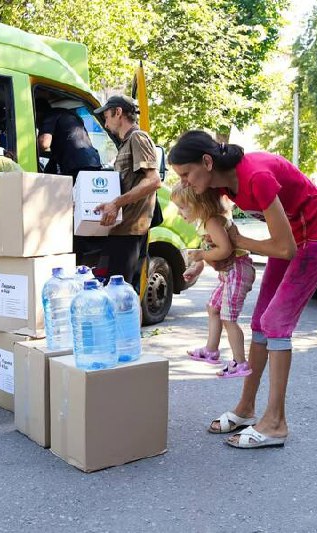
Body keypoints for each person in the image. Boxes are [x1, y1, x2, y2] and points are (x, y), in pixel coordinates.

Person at [168, 130, 317, 449]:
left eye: (186, 174)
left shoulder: (255, 177)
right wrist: (209, 259)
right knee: (260, 322)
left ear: (207, 162)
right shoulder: (221, 184)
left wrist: (239, 243)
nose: (186, 182)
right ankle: (246, 408)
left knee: (276, 323)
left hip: (316, 237)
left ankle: (275, 423)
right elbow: (218, 232)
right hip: (292, 239)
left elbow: (284, 249)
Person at [170, 183, 255, 378]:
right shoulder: (205, 223)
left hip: (238, 270)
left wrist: (200, 255)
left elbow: (224, 250)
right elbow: (211, 251)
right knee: (213, 307)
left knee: (228, 317)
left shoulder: (213, 222)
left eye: (182, 207)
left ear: (200, 204)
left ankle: (239, 363)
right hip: (230, 272)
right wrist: (196, 267)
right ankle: (211, 350)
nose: (179, 213)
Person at [92, 95, 161, 291]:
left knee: (124, 294)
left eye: (106, 117)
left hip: (131, 230)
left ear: (118, 112)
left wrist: (116, 203)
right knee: (118, 293)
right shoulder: (126, 143)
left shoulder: (138, 138)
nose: (105, 124)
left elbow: (154, 180)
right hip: (121, 229)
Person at [35, 98, 102, 181]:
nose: (36, 124)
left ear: (37, 113)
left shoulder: (49, 116)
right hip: (93, 163)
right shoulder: (70, 115)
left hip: (76, 167)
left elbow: (44, 143)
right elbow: (59, 152)